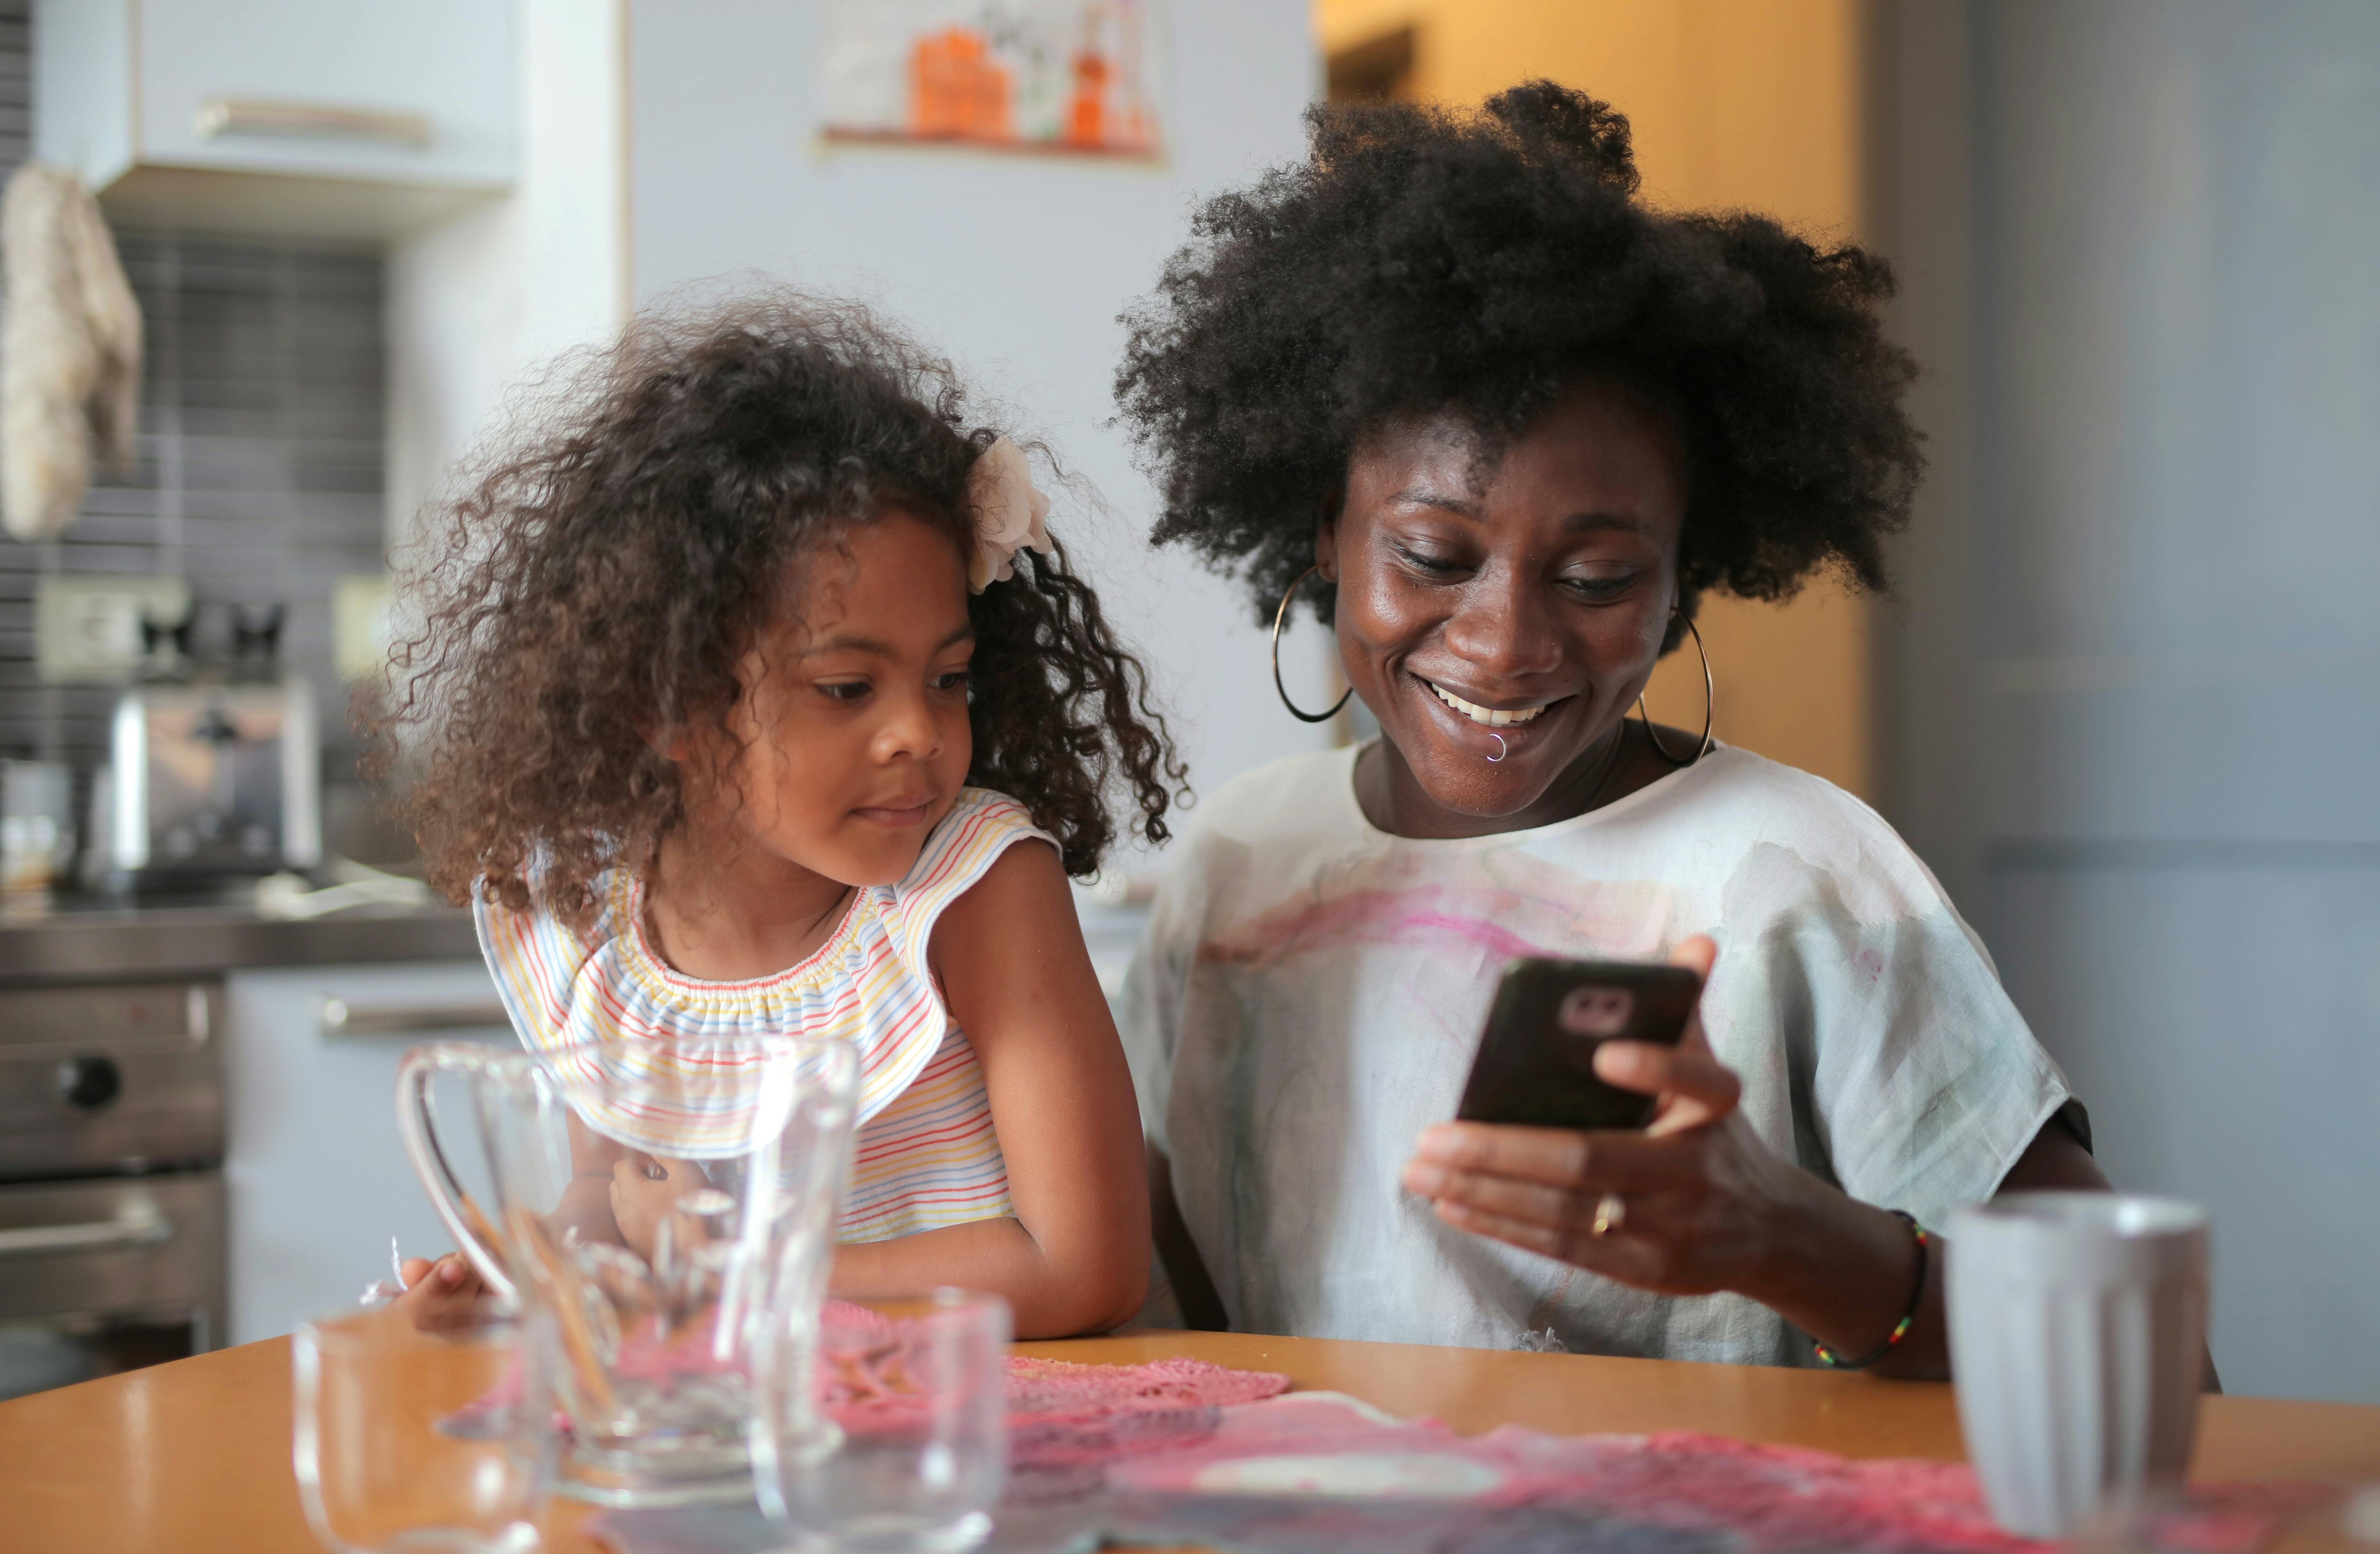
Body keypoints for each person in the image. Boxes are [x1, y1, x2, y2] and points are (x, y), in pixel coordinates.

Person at [1111, 84, 2113, 1378]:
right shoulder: (1241, 859)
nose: (1506, 641)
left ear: (1682, 580)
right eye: (1430, 556)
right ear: (1324, 532)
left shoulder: (1790, 875)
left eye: (1594, 581)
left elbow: (2140, 1360)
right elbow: (1163, 1282)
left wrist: (1788, 1241)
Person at [380, 295, 1174, 1338]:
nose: (918, 736)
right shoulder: (593, 923)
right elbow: (614, 1205)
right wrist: (538, 1267)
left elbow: (1082, 1270)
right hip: (777, 1443)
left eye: (948, 679)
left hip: (1003, 1432)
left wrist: (733, 1275)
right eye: (848, 689)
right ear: (662, 702)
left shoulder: (973, 888)